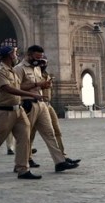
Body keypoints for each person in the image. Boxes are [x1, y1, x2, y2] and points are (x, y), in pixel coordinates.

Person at [0, 45, 44, 179]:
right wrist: (32, 95)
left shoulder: (13, 71)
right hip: (4, 112)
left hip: (18, 110)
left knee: (25, 139)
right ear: (8, 55)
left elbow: (18, 87)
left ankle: (22, 169)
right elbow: (8, 89)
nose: (16, 56)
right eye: (15, 53)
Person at [16, 45, 78, 173]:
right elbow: (16, 88)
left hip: (41, 104)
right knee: (26, 136)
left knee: (50, 133)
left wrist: (45, 85)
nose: (39, 60)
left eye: (40, 57)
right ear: (29, 54)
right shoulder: (19, 69)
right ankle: (21, 164)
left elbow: (39, 86)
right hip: (28, 104)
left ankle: (60, 162)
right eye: (37, 57)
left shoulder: (38, 69)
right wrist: (38, 84)